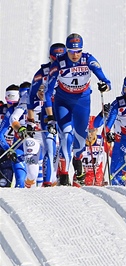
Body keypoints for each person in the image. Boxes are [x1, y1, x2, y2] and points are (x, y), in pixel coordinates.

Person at [44, 33, 111, 186]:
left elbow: (107, 82)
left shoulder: (88, 59)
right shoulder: (59, 64)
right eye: (72, 51)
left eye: (78, 51)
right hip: (63, 103)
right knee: (66, 136)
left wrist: (104, 86)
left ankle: (77, 159)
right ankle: (64, 175)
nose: (75, 55)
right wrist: (50, 117)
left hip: (82, 103)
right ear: (67, 50)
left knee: (80, 142)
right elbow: (48, 93)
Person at [28, 43, 66, 186]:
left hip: (65, 110)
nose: (56, 63)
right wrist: (30, 121)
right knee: (50, 148)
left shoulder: (70, 67)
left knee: (65, 146)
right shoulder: (42, 72)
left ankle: (64, 177)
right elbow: (31, 97)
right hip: (48, 113)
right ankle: (47, 182)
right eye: (53, 60)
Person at [97, 74, 126, 186]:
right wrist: (107, 133)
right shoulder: (118, 103)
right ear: (124, 89)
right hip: (125, 140)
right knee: (125, 168)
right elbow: (108, 124)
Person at [0, 84, 27, 188]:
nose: (11, 106)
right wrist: (8, 149)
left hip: (20, 148)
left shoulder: (26, 110)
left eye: (14, 103)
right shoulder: (7, 112)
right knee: (5, 183)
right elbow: (1, 133)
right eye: (9, 102)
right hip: (5, 149)